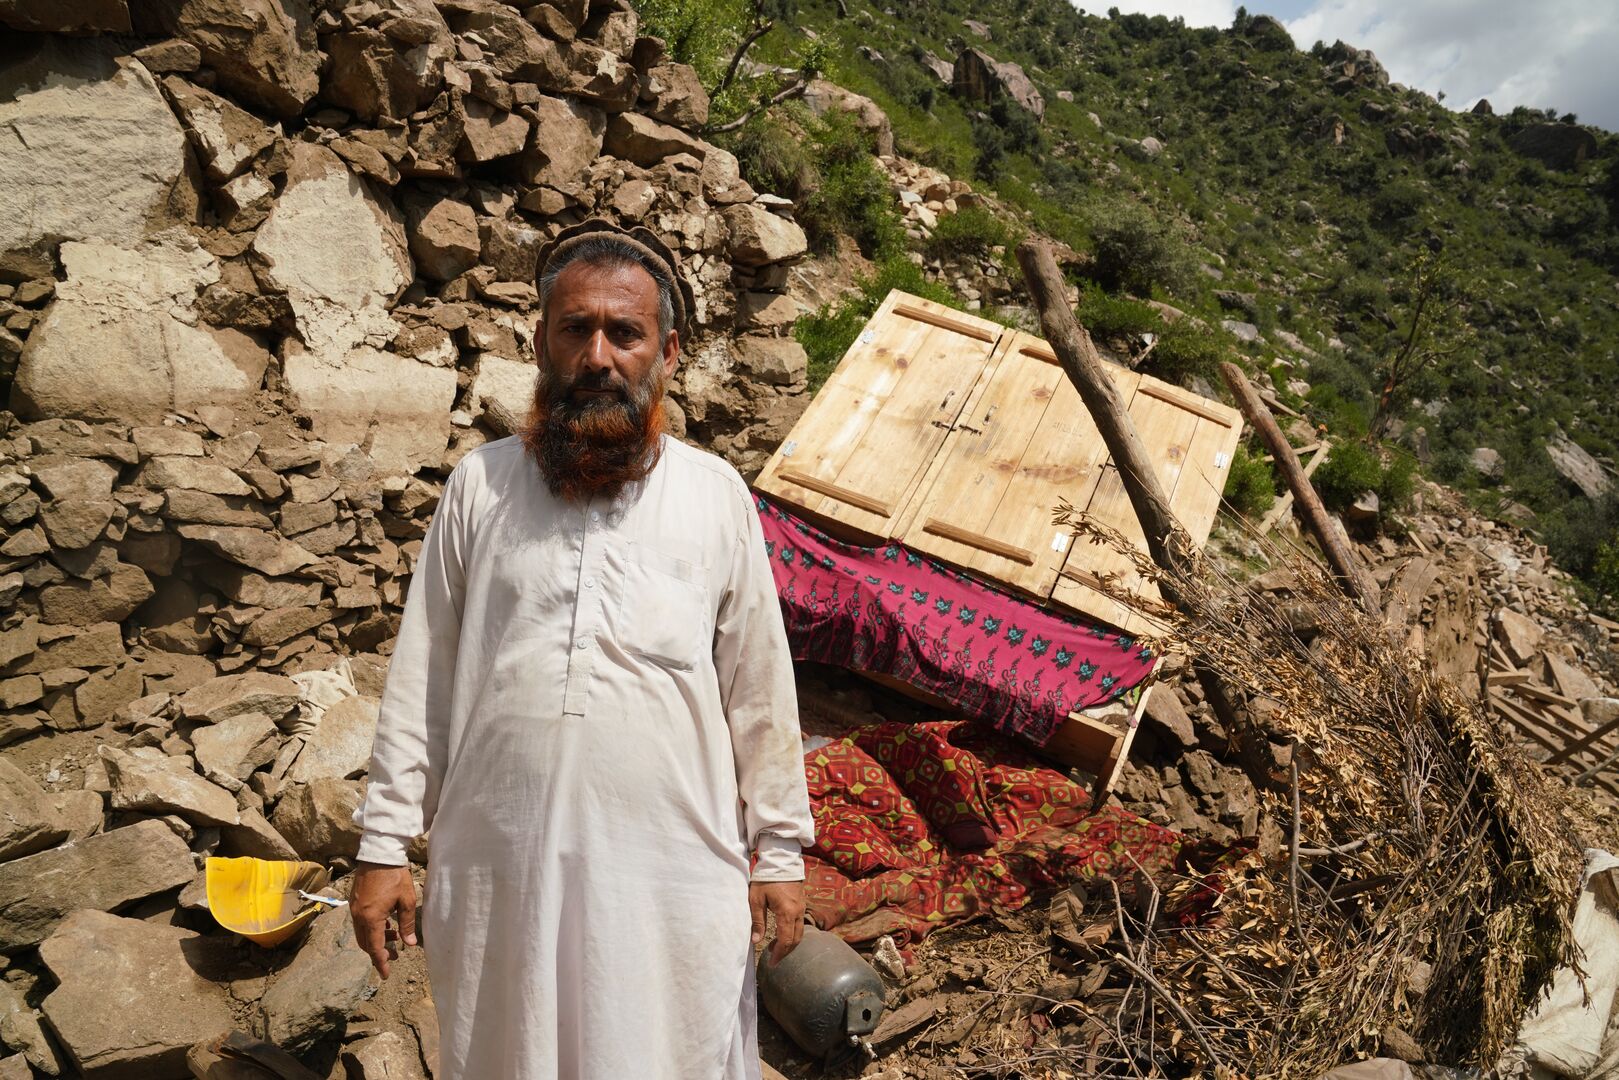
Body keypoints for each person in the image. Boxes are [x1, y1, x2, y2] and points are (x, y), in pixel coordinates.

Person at [350, 221, 815, 1080]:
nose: (598, 354)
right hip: (500, 865)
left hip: (669, 871)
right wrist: (384, 846)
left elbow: (759, 689)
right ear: (541, 342)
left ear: (666, 352)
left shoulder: (714, 498)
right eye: (576, 329)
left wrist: (778, 851)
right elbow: (423, 677)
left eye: (624, 332)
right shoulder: (479, 487)